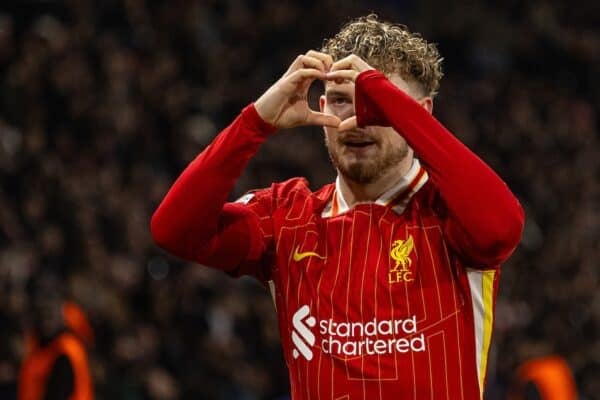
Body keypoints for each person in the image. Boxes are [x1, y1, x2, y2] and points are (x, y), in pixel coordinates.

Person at [151, 14, 525, 399]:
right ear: (324, 106)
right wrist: (255, 122)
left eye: (378, 103)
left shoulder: (450, 211)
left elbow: (502, 228)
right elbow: (173, 231)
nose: (357, 121)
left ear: (420, 113)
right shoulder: (286, 215)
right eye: (344, 102)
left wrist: (387, 99)